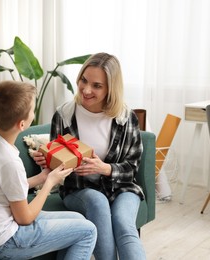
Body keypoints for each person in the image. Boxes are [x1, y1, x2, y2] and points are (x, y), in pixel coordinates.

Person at [33, 53, 146, 260]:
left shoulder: (125, 117)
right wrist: (50, 161)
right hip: (79, 189)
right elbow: (58, 164)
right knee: (97, 201)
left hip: (122, 188)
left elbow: (132, 168)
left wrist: (105, 168)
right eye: (84, 80)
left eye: (97, 85)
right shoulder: (64, 115)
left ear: (111, 88)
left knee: (123, 223)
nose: (86, 90)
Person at [0, 80, 97, 260]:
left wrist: (42, 177)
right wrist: (50, 182)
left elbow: (4, 187)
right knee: (89, 231)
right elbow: (25, 218)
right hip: (3, 241)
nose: (33, 112)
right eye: (32, 110)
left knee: (79, 219)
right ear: (22, 125)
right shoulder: (9, 161)